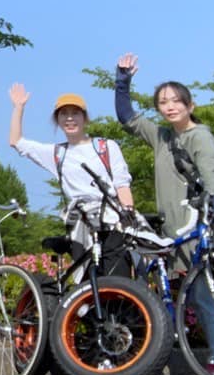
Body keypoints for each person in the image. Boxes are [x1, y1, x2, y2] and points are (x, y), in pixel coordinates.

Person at [113, 52, 214, 375]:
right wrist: (122, 81)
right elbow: (127, 117)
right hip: (172, 232)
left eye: (176, 100)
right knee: (166, 296)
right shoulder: (161, 137)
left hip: (199, 228)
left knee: (207, 295)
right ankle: (153, 363)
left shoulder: (199, 135)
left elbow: (211, 171)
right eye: (162, 101)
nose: (169, 106)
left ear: (189, 105)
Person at [8, 82, 134, 262]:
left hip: (112, 223)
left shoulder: (106, 147)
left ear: (85, 118)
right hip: (80, 228)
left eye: (75, 113)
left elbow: (122, 185)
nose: (69, 118)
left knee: (118, 282)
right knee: (87, 285)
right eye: (64, 114)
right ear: (57, 120)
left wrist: (129, 218)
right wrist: (19, 107)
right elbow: (16, 141)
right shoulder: (57, 153)